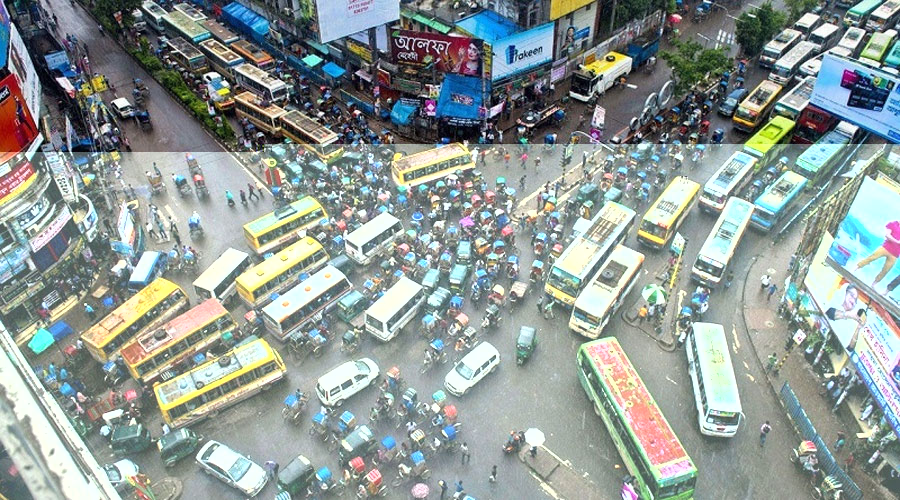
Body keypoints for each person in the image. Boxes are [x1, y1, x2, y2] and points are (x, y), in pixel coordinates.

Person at [854, 220, 900, 291]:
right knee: (871, 257)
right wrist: (897, 242)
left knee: (885, 270)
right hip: (886, 248)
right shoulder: (893, 224)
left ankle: (873, 284)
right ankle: (856, 268)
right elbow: (887, 235)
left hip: (895, 254)